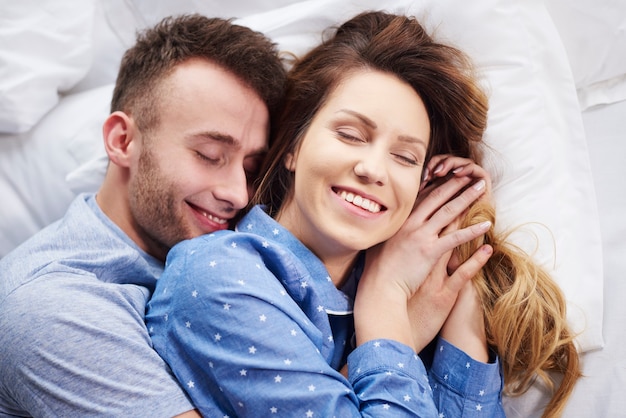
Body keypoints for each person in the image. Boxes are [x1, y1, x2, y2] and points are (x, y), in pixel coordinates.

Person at [147, 10, 507, 417]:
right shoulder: (219, 277)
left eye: (405, 157)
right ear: (292, 147)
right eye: (350, 135)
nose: (373, 170)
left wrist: (465, 267)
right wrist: (387, 304)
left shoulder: (411, 289)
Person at [0, 14, 286, 417]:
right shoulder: (53, 307)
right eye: (209, 155)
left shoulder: (237, 261)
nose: (238, 194)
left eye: (252, 169)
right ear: (122, 141)